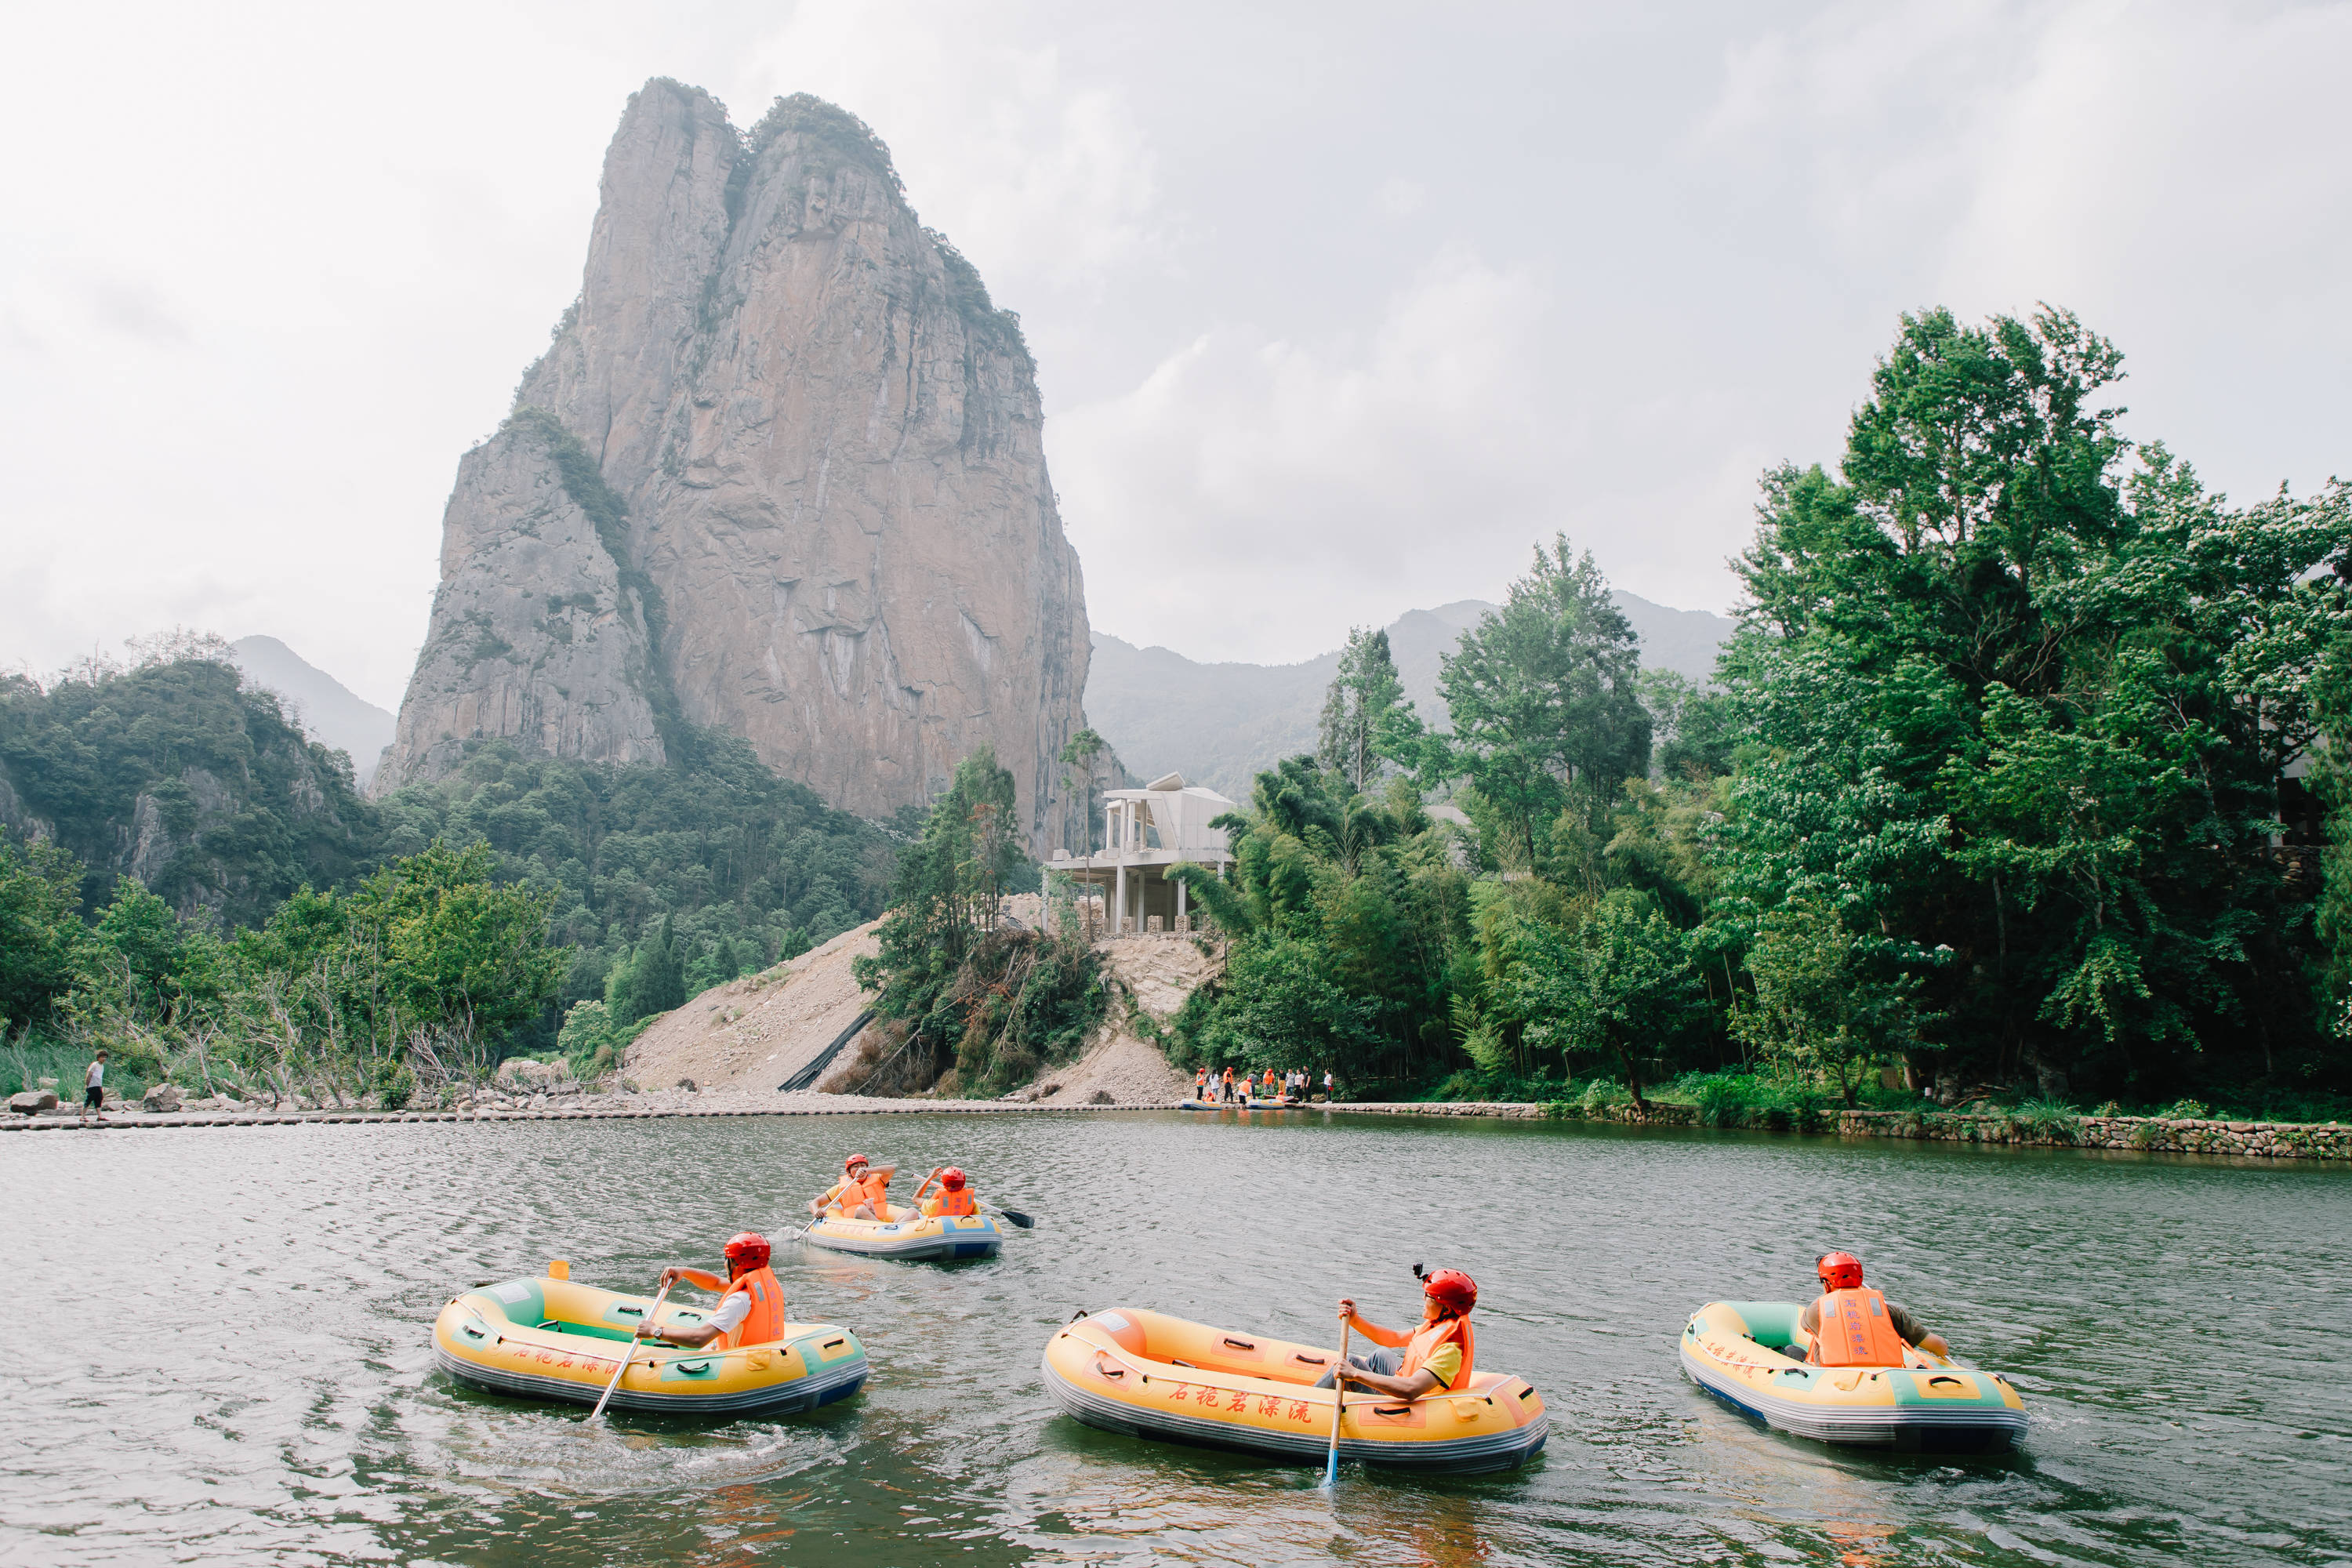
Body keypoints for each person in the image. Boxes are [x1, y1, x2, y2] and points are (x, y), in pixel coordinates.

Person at [1316, 1267, 1479, 1400]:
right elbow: (1395, 1338)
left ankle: (1307, 1404)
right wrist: (1355, 1320)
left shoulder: (1451, 1349)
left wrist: (1355, 1374)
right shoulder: (1442, 1323)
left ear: (1446, 1308)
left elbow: (1412, 1389)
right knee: (1381, 1356)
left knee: (1352, 1362)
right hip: (1407, 1384)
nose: (1423, 1299)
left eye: (1429, 1296)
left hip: (1414, 1406)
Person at [1791, 1251, 1951, 1364]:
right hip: (1887, 1379)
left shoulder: (1816, 1310)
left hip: (1837, 1380)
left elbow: (1806, 1326)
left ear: (1826, 1283)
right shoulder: (1890, 1311)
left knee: (1792, 1350)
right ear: (1860, 1278)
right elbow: (1939, 1346)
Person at [638, 1232, 786, 1350]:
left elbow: (699, 1339)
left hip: (739, 1367)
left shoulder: (739, 1301)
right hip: (760, 1356)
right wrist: (684, 1272)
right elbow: (715, 1283)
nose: (724, 1263)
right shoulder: (765, 1285)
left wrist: (655, 1331)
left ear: (737, 1264)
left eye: (727, 1258)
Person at [810, 1153, 896, 1221]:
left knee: (910, 1212)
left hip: (880, 1221)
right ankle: (882, 1230)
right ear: (849, 1172)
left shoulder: (879, 1180)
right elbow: (814, 1203)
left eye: (863, 1166)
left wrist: (868, 1171)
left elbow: (891, 1169)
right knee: (861, 1210)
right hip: (857, 1225)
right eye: (855, 1167)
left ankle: (886, 1230)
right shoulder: (841, 1188)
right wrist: (816, 1212)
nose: (860, 1169)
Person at [913, 1166, 978, 1218]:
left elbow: (915, 1199)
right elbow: (978, 1217)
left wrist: (930, 1178)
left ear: (944, 1183)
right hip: (962, 1227)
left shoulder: (935, 1205)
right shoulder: (971, 1202)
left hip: (939, 1229)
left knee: (912, 1211)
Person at [82, 1050, 108, 1121]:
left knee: (99, 1099)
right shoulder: (94, 1065)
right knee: (89, 1100)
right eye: (103, 1057)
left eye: (105, 1057)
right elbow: (89, 1075)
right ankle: (82, 1117)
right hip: (92, 1085)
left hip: (98, 1085)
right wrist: (87, 1085)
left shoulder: (102, 1066)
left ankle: (100, 1116)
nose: (104, 1059)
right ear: (99, 1057)